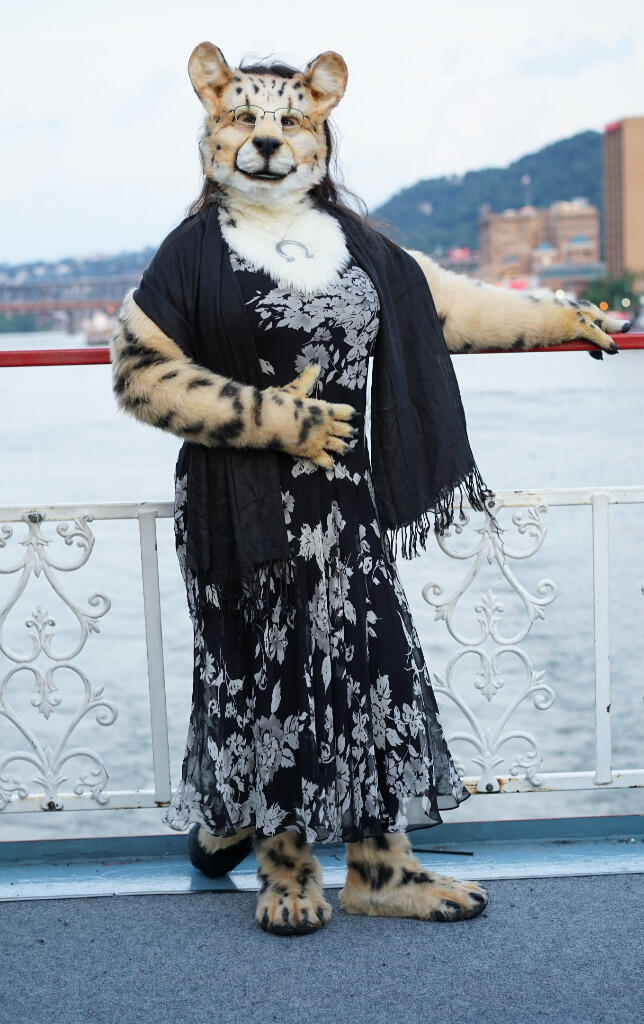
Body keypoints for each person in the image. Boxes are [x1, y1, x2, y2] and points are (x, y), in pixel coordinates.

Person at [110, 43, 625, 936]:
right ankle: (286, 868)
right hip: (239, 513)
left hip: (346, 512)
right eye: (243, 119)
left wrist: (560, 316)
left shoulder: (360, 246)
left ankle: (381, 872)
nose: (265, 139)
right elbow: (138, 372)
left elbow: (452, 307)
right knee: (264, 677)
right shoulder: (188, 254)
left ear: (320, 134)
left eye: (290, 122)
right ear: (212, 127)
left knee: (368, 674)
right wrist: (276, 419)